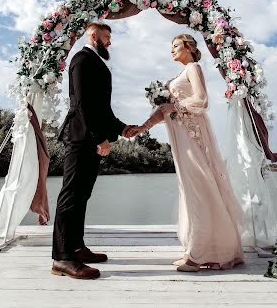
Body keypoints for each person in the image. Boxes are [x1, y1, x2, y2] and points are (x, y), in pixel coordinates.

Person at [126, 34, 244, 272]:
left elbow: (202, 101)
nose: (172, 50)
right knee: (191, 191)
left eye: (176, 46)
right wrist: (142, 128)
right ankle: (196, 249)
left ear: (189, 48)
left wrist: (174, 106)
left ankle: (200, 255)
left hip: (193, 137)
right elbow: (162, 110)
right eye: (171, 47)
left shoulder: (193, 67)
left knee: (201, 189)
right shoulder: (178, 76)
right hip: (179, 139)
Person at [52, 22, 132, 279]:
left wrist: (121, 129)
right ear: (93, 35)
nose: (110, 42)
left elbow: (102, 108)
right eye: (107, 37)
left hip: (91, 138)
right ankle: (62, 258)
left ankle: (76, 247)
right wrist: (100, 139)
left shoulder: (96, 62)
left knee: (82, 195)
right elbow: (82, 104)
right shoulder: (82, 59)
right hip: (80, 137)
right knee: (71, 196)